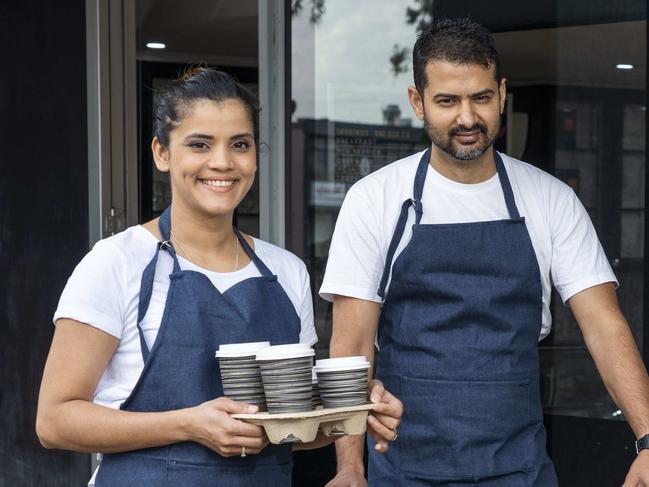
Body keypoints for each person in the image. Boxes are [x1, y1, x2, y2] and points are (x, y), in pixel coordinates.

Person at [320, 18, 649, 487]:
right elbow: (351, 348)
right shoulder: (375, 198)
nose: (467, 118)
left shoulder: (549, 199)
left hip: (520, 469)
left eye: (481, 98)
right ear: (418, 102)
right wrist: (350, 466)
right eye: (447, 101)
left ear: (502, 93)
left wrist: (648, 437)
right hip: (405, 469)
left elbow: (603, 323)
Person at [36, 68, 402, 486]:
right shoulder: (116, 263)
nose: (223, 162)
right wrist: (189, 425)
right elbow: (55, 420)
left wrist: (353, 412)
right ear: (162, 153)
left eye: (240, 145)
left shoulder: (286, 272)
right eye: (199, 144)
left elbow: (293, 429)